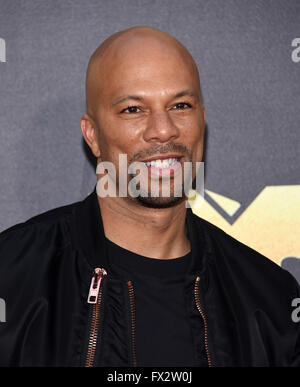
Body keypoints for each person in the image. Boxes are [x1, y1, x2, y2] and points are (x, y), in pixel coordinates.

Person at [0, 26, 299, 367]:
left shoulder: (271, 301)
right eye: (133, 109)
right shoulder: (12, 277)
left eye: (181, 105)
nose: (163, 129)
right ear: (93, 134)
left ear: (203, 120)